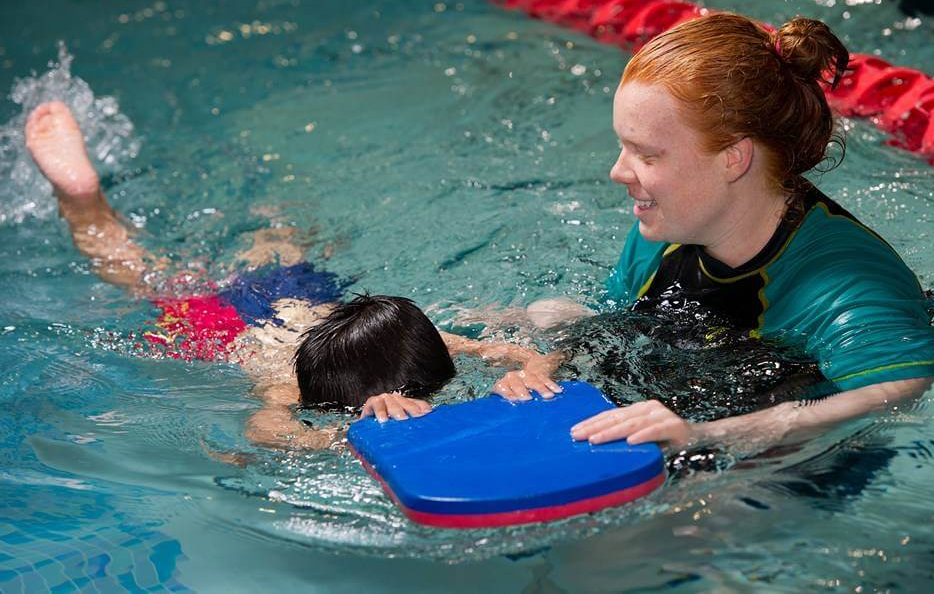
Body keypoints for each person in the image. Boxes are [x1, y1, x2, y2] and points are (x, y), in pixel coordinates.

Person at [493, 12, 934, 457]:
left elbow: (898, 390)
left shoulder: (848, 282)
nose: (618, 172)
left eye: (646, 155)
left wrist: (708, 435)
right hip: (700, 372)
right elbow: (614, 328)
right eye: (623, 146)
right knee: (551, 314)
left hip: (803, 441)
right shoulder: (664, 228)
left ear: (734, 158)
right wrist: (545, 365)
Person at [23, 101, 558, 451]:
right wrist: (353, 434)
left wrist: (529, 374)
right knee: (150, 276)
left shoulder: (421, 344)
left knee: (225, 255)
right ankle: (83, 200)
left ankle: (90, 202)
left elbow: (524, 354)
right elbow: (265, 428)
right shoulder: (289, 383)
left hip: (294, 307)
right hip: (231, 331)